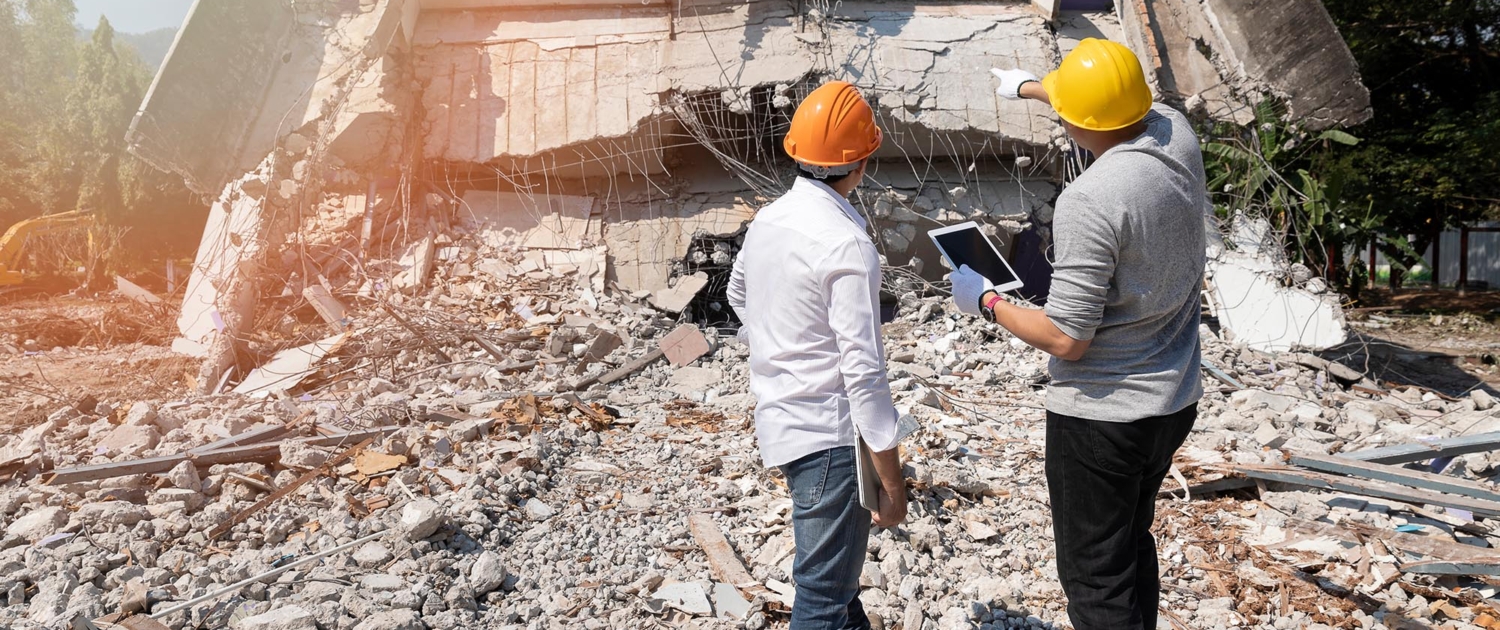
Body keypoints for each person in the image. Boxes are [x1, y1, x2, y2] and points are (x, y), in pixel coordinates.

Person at [952, 39, 1206, 630]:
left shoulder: (1091, 199)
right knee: (1129, 543)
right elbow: (1115, 104)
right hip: (1172, 398)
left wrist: (987, 301)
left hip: (1102, 417)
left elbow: (1067, 337)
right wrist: (1030, 88)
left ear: (1076, 120)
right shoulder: (1176, 134)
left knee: (1096, 580)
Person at [727, 80, 908, 630]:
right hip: (829, 438)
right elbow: (863, 373)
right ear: (862, 162)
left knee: (836, 585)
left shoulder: (769, 219)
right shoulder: (846, 242)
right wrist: (893, 484)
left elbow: (739, 295)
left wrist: (785, 350)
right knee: (823, 598)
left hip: (781, 420)